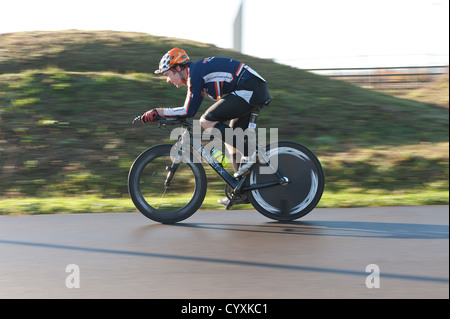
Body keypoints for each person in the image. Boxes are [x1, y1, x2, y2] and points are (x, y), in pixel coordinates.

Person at [141, 48, 271, 206]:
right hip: (250, 89)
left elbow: (188, 111)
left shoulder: (194, 75)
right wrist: (164, 115)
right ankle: (242, 192)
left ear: (178, 68)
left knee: (206, 121)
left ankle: (252, 154)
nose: (167, 80)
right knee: (231, 142)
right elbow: (188, 110)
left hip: (250, 89)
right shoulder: (195, 75)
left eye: (167, 74)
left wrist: (158, 112)